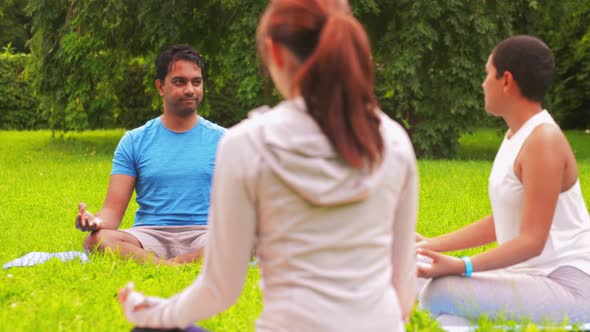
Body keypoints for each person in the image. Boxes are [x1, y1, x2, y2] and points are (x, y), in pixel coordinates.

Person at [117, 0, 419, 331]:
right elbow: (404, 293)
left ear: (273, 51)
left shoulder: (248, 143)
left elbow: (219, 290)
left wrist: (153, 314)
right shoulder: (393, 140)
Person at [417, 35, 590, 325]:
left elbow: (532, 241)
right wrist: (428, 246)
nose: (483, 84)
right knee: (414, 274)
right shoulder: (516, 136)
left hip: (569, 285)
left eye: (487, 74)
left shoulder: (543, 140)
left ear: (506, 80)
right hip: (530, 278)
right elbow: (503, 220)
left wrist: (463, 266)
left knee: (441, 290)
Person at [76, 44, 225, 265]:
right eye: (179, 81)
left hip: (205, 235)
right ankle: (176, 266)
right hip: (150, 235)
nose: (190, 90)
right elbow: (112, 212)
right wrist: (94, 221)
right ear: (160, 87)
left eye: (196, 82)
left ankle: (162, 266)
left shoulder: (225, 141)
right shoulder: (135, 141)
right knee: (97, 240)